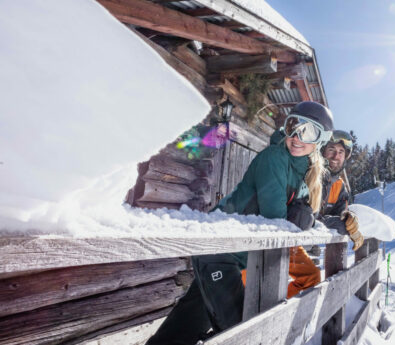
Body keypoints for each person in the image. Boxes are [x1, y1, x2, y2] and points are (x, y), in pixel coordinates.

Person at [146, 101, 334, 345]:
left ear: (322, 140)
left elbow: (302, 218)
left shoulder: (306, 172)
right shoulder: (275, 156)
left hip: (234, 254)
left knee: (183, 326)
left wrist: (310, 221)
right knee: (241, 335)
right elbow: (276, 221)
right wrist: (300, 221)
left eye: (308, 132)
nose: (297, 136)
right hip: (220, 249)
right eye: (293, 126)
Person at [285, 130, 364, 299]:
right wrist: (332, 223)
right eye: (332, 150)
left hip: (304, 249)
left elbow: (339, 219)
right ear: (322, 150)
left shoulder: (340, 187)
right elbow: (301, 213)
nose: (336, 156)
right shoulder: (308, 172)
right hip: (282, 242)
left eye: (341, 152)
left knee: (309, 284)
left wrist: (348, 220)